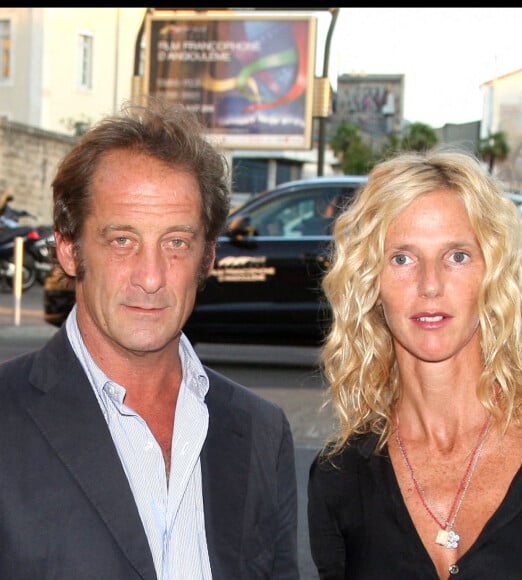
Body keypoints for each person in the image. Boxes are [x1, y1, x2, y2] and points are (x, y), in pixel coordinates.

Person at [0, 99, 299, 580]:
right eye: (123, 240)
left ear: (207, 259)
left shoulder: (260, 432)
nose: (152, 276)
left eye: (176, 242)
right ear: (69, 249)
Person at [307, 149, 522, 579]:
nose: (430, 284)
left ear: (493, 274)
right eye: (402, 258)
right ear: (370, 282)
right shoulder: (340, 477)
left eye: (457, 256)